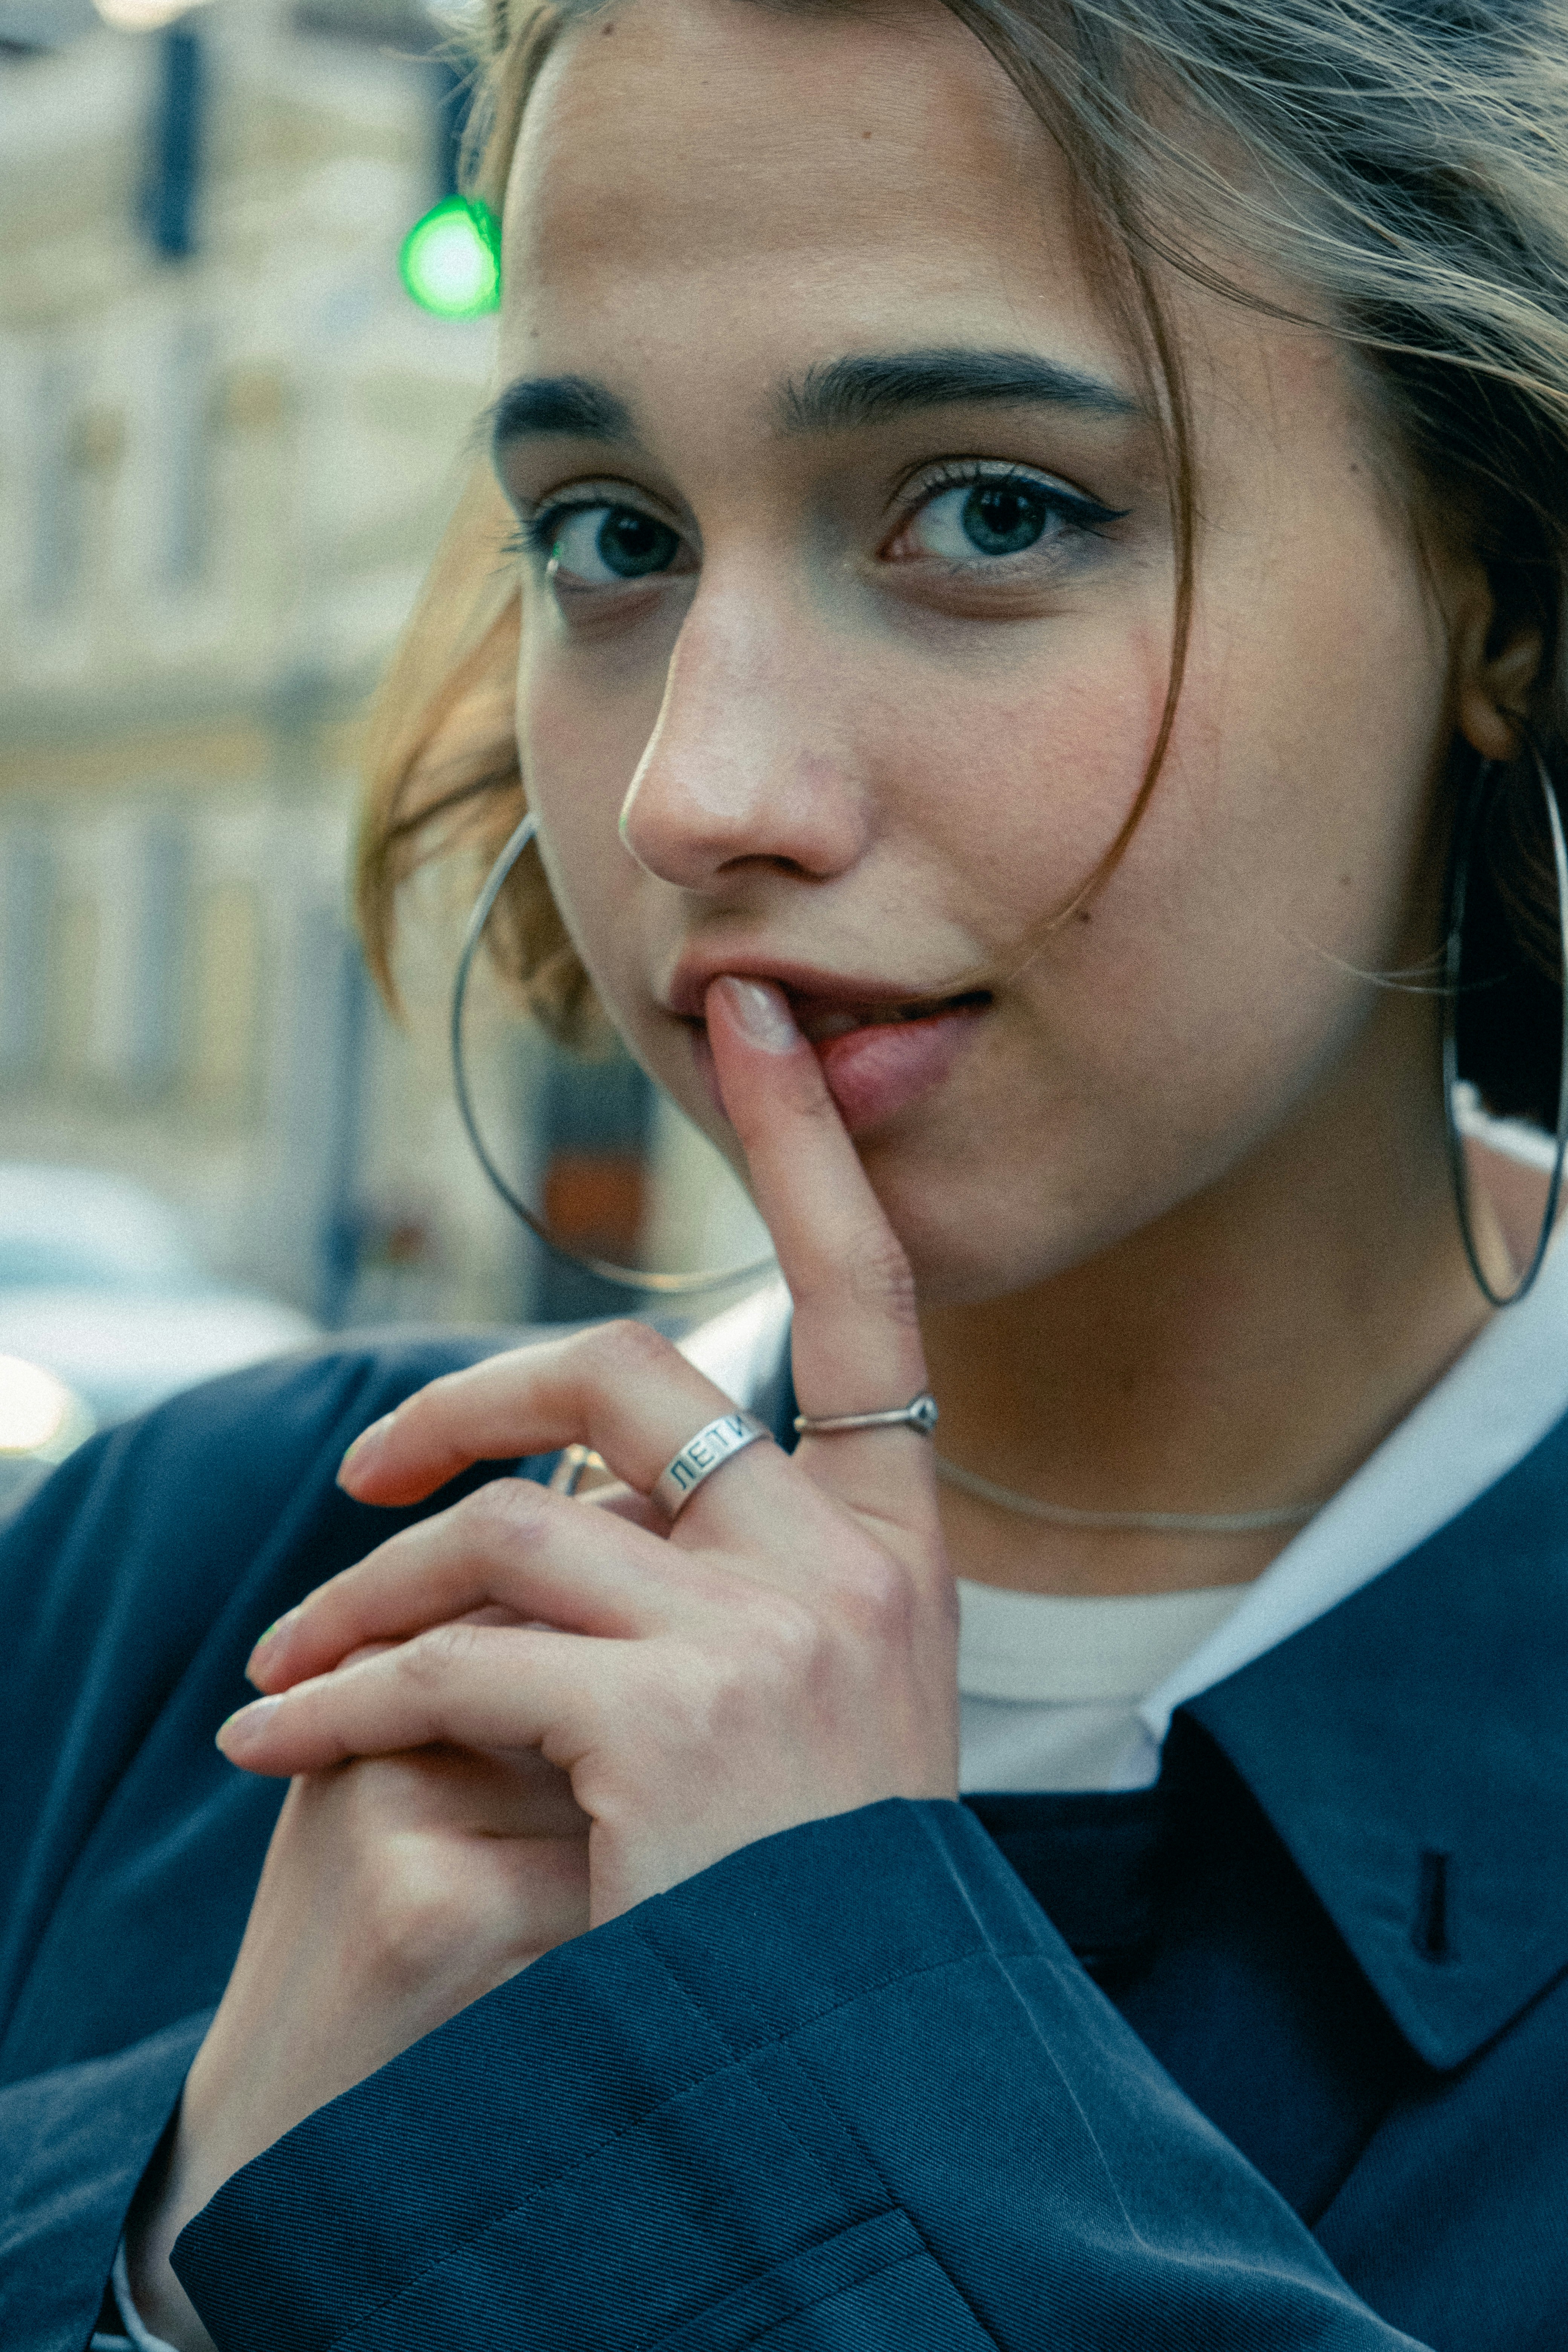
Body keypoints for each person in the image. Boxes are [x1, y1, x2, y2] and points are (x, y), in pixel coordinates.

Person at [6, 0, 1568, 2343]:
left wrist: (824, 2038)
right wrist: (165, 2251)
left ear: (1502, 588)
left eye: (995, 509)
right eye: (612, 537)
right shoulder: (178, 1587)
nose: (691, 794)